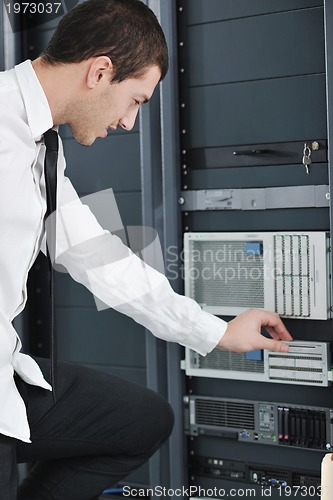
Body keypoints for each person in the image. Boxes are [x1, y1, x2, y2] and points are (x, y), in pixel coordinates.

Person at [0, 0, 293, 498]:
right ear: (100, 72)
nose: (130, 122)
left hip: (6, 374)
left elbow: (101, 258)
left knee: (143, 419)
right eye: (135, 100)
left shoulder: (42, 145)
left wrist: (217, 333)